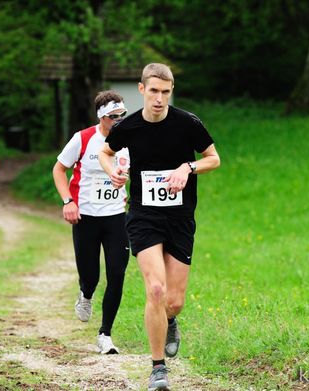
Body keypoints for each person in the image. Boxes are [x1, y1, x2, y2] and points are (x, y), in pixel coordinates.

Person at [99, 63, 220, 390]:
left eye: (165, 92)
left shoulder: (187, 123)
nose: (159, 99)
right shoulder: (129, 126)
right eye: (153, 91)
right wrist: (112, 171)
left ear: (171, 92)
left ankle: (170, 320)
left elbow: (214, 158)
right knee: (155, 288)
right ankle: (157, 369)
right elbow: (105, 152)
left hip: (180, 219)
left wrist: (188, 167)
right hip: (143, 216)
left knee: (174, 300)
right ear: (141, 89)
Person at [52, 90, 130, 355]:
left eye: (123, 115)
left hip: (117, 216)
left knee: (117, 274)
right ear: (101, 118)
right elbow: (58, 169)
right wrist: (67, 201)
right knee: (90, 276)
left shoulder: (131, 137)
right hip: (85, 217)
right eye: (113, 117)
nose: (119, 121)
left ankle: (105, 334)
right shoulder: (84, 138)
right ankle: (85, 294)